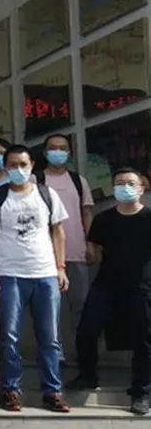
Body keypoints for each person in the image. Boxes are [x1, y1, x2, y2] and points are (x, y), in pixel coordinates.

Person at [0, 145, 71, 414]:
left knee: (50, 337)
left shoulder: (47, 194)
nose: (18, 169)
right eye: (13, 165)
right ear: (5, 167)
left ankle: (52, 391)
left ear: (32, 166)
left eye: (23, 164)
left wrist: (61, 267)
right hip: (10, 274)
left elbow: (58, 232)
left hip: (45, 273)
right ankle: (10, 389)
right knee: (9, 336)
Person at [66, 168, 151, 415]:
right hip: (106, 284)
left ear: (141, 188)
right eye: (120, 183)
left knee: (144, 339)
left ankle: (141, 391)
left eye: (130, 183)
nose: (125, 187)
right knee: (87, 329)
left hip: (142, 286)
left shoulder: (148, 217)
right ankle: (87, 375)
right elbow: (96, 251)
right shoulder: (104, 219)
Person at [36, 133, 93, 359]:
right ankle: (55, 352)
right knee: (51, 308)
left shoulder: (79, 181)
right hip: (45, 256)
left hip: (77, 251)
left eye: (63, 148)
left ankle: (84, 352)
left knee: (81, 305)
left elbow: (87, 212)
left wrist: (90, 242)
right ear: (45, 152)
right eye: (53, 148)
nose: (58, 152)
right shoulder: (37, 180)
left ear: (69, 153)